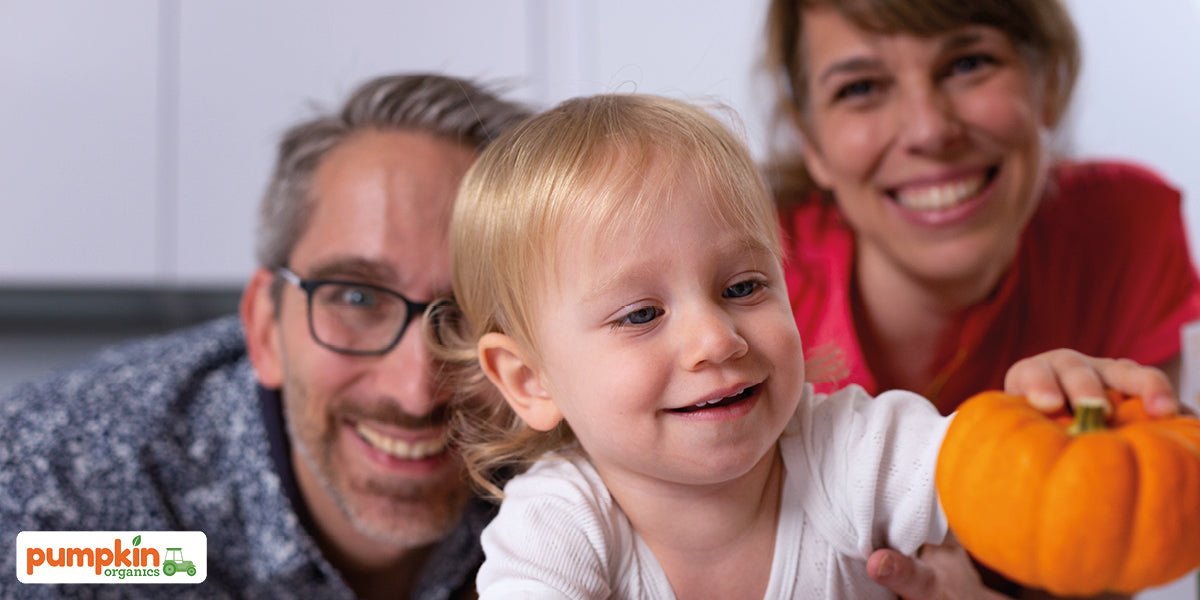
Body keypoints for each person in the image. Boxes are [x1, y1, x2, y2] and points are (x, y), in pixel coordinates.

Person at [426, 93, 1178, 599]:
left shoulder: (852, 450)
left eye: (743, 287)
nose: (715, 339)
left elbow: (1018, 490)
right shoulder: (557, 526)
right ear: (528, 380)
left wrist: (1070, 426)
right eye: (639, 315)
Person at [0, 73, 530, 599]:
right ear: (265, 327)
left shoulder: (573, 452)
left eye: (471, 311)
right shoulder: (65, 495)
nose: (415, 391)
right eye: (357, 298)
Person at [761, 1, 1200, 595]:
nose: (929, 130)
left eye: (969, 63)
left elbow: (1116, 554)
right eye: (861, 87)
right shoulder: (739, 282)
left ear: (1048, 84)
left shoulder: (1127, 231)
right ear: (811, 142)